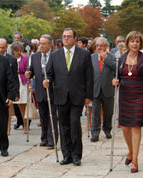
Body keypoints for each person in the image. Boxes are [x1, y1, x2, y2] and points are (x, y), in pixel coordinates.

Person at [43, 28, 94, 166]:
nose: (66, 38)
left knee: (74, 124)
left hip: (78, 95)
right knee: (63, 126)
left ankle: (76, 155)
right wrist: (47, 80)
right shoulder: (55, 55)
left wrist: (89, 95)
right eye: (64, 36)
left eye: (69, 36)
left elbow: (89, 77)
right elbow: (49, 73)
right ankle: (66, 155)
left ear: (75, 39)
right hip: (61, 95)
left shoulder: (84, 54)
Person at [112, 31, 143, 173]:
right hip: (125, 95)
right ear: (128, 43)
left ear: (140, 43)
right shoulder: (121, 59)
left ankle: (135, 160)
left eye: (137, 41)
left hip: (140, 95)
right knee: (125, 127)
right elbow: (116, 76)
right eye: (132, 41)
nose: (135, 44)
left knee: (136, 127)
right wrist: (115, 81)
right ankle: (130, 151)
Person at [25, 34, 58, 148]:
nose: (41, 46)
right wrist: (29, 73)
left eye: (44, 44)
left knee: (52, 115)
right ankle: (44, 137)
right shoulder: (35, 56)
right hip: (39, 90)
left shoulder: (56, 55)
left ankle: (52, 138)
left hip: (53, 90)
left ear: (50, 44)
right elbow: (32, 70)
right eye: (40, 43)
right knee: (43, 116)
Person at [90, 37, 116, 142]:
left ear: (106, 46)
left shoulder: (112, 57)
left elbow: (116, 68)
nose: (99, 48)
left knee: (108, 112)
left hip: (108, 88)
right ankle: (95, 133)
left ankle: (107, 130)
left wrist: (106, 58)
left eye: (101, 45)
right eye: (97, 46)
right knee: (95, 112)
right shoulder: (91, 57)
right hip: (95, 88)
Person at [0, 38, 22, 133]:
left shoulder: (12, 59)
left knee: (8, 109)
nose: (1, 50)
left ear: (7, 47)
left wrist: (16, 93)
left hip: (8, 88)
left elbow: (15, 77)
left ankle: (7, 128)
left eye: (3, 48)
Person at [10, 42, 29, 134]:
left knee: (22, 106)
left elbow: (28, 71)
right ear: (13, 51)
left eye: (20, 50)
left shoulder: (25, 59)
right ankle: (8, 128)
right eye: (17, 50)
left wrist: (29, 84)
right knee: (10, 106)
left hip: (22, 82)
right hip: (12, 83)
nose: (19, 52)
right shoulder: (9, 59)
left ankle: (25, 125)